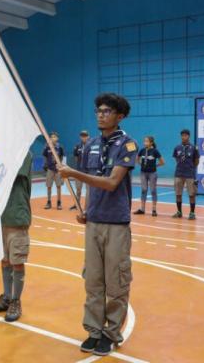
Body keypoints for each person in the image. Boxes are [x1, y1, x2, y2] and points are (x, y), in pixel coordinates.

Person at [58, 93, 137, 357]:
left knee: (116, 284)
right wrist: (86, 210)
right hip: (94, 222)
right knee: (93, 282)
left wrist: (73, 173)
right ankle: (93, 330)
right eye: (98, 111)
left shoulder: (127, 146)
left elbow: (112, 182)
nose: (100, 114)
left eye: (107, 111)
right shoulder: (91, 144)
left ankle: (112, 333)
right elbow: (91, 183)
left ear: (119, 116)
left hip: (116, 224)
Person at [0, 152, 32, 322]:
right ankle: (7, 297)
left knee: (17, 261)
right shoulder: (0, 153)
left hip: (16, 216)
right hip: (1, 216)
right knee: (5, 259)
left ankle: (16, 300)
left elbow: (11, 172)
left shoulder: (23, 152)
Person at [172, 129, 200, 220]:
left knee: (191, 194)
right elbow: (176, 159)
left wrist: (190, 168)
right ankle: (179, 212)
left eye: (185, 135)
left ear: (189, 136)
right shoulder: (177, 147)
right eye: (182, 135)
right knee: (178, 193)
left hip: (190, 174)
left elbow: (196, 161)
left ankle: (192, 213)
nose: (183, 137)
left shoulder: (194, 148)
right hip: (179, 173)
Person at [134, 136, 164, 216]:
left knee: (153, 190)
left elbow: (162, 162)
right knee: (144, 190)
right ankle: (142, 209)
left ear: (151, 143)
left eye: (147, 141)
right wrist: (140, 163)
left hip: (152, 173)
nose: (145, 143)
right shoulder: (142, 150)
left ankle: (154, 210)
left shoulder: (155, 151)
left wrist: (155, 166)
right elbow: (137, 158)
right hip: (143, 173)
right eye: (144, 141)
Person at [43, 132, 64, 210]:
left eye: (54, 137)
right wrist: (45, 164)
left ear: (57, 138)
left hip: (58, 170)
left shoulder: (60, 147)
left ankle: (59, 203)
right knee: (49, 186)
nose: (53, 138)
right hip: (50, 169)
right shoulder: (47, 147)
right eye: (51, 137)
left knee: (58, 186)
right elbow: (44, 156)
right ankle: (49, 202)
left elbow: (61, 156)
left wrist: (60, 165)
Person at [71, 130, 90, 210]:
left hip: (88, 172)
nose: (84, 137)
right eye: (82, 136)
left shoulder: (91, 146)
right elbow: (75, 156)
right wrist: (78, 166)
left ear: (88, 136)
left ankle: (87, 207)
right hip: (79, 171)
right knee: (78, 189)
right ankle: (77, 204)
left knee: (88, 190)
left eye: (85, 136)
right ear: (80, 137)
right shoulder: (77, 146)